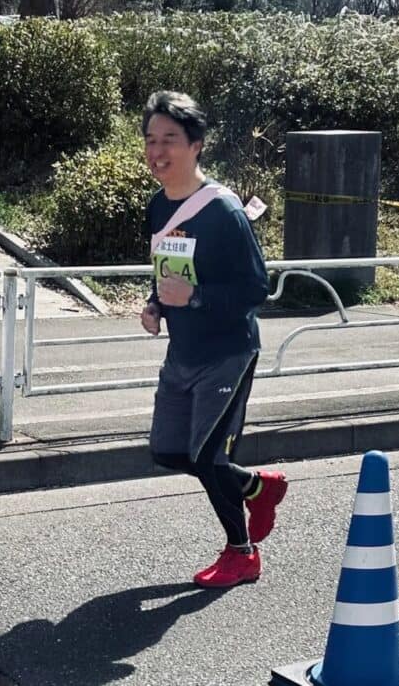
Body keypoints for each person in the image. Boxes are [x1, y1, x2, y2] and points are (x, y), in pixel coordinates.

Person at [141, 90, 288, 589]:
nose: (158, 151)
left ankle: (242, 554)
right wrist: (156, 304)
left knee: (206, 456)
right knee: (167, 451)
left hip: (228, 353)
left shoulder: (223, 211)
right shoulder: (158, 206)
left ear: (196, 145)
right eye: (151, 140)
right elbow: (168, 270)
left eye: (170, 139)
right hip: (182, 351)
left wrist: (196, 297)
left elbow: (256, 288)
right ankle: (257, 487)